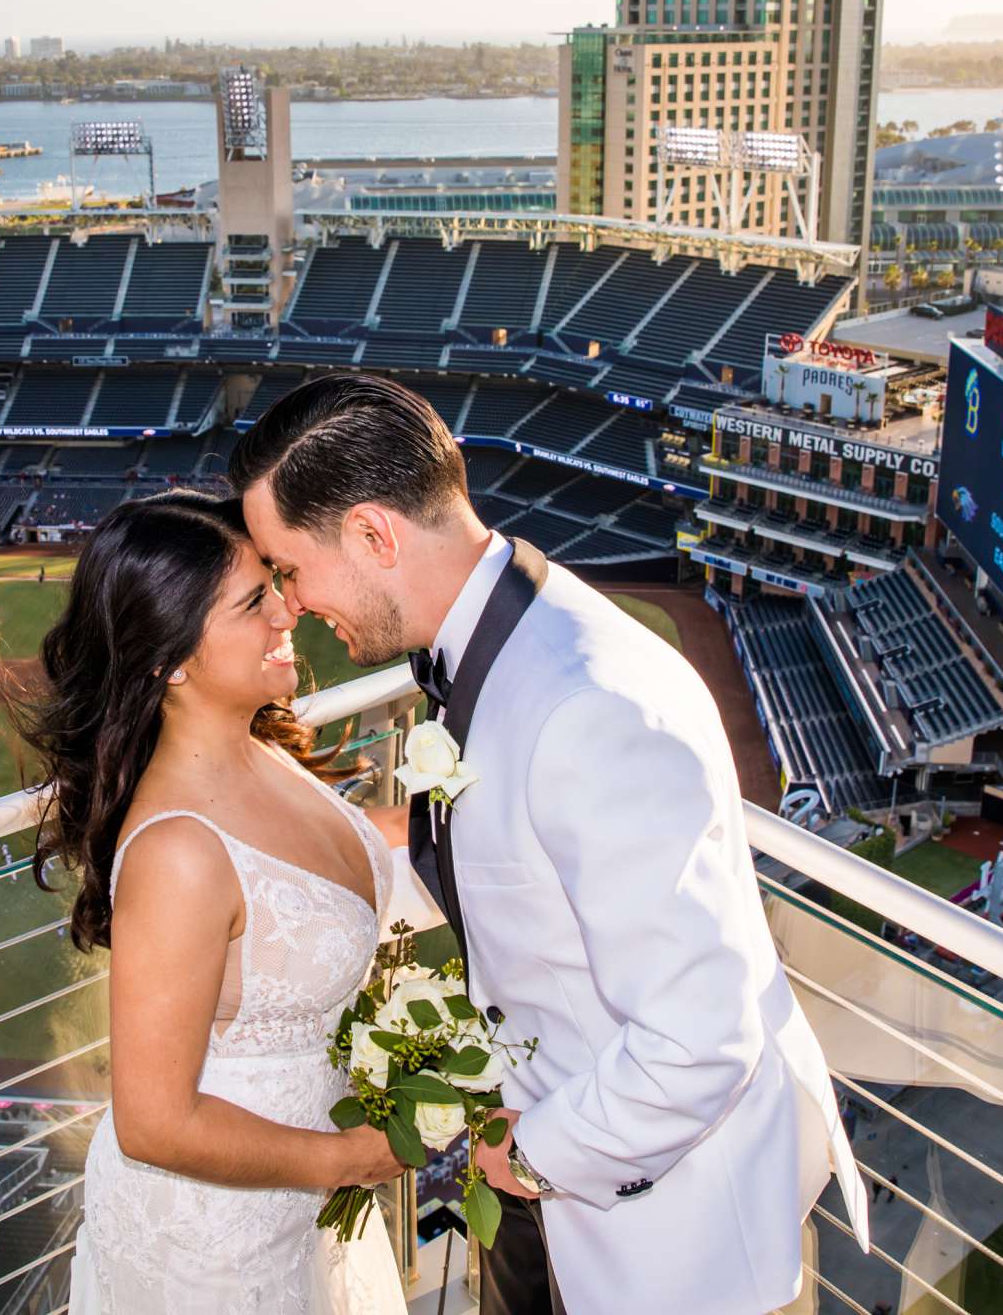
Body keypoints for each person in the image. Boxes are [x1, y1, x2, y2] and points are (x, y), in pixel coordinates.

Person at [233, 374, 867, 1315]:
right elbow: (492, 861)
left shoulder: (586, 705)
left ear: (374, 534)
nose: (289, 601)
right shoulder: (506, 641)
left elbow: (699, 1037)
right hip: (561, 1190)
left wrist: (522, 1150)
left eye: (289, 566)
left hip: (672, 1248)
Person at [17, 490, 407, 1313]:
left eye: (276, 582)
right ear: (171, 658)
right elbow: (154, 1121)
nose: (287, 609)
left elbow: (326, 880)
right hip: (217, 1256)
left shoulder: (261, 750)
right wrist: (345, 1159)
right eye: (255, 599)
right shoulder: (177, 854)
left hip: (303, 1209)